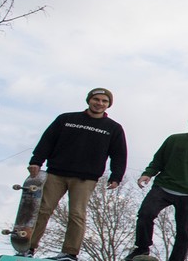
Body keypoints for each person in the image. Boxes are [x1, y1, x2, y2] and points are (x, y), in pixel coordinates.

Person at [26, 88, 127, 261]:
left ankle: (69, 253)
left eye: (104, 101)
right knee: (43, 210)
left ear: (108, 104)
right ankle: (28, 248)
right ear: (89, 100)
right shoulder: (66, 119)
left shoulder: (113, 128)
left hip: (85, 178)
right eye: (96, 99)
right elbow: (47, 140)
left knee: (77, 214)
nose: (99, 103)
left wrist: (116, 176)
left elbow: (119, 154)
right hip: (56, 173)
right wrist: (36, 160)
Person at [124, 114, 188, 261]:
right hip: (164, 186)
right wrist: (148, 174)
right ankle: (142, 247)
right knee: (145, 213)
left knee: (184, 231)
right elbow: (158, 160)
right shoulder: (174, 140)